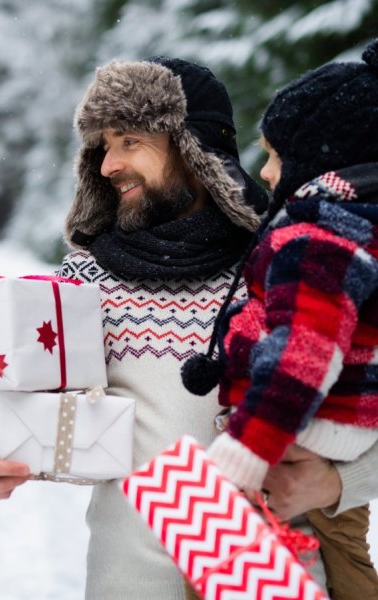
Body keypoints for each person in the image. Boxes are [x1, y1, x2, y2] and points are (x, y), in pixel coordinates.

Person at [0, 54, 378, 598]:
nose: (107, 164)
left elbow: (367, 408)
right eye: (103, 145)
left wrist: (340, 483)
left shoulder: (299, 265)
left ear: (194, 149)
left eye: (129, 141)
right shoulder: (85, 280)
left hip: (273, 580)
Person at [182, 39, 378, 599]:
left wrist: (245, 450)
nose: (265, 172)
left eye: (275, 155)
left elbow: (303, 352)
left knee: (271, 567)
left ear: (319, 161)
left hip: (297, 436)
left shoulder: (315, 240)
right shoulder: (354, 230)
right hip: (323, 438)